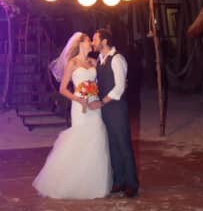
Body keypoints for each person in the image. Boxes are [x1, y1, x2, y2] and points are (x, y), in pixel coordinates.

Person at [32, 31, 112, 199]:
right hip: (79, 106)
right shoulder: (72, 63)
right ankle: (67, 181)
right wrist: (78, 98)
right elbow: (62, 89)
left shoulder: (93, 61)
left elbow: (100, 82)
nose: (91, 43)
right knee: (80, 139)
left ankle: (92, 183)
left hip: (94, 105)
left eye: (91, 40)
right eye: (88, 40)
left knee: (96, 136)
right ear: (80, 44)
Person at [92, 27, 139, 198]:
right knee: (112, 145)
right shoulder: (99, 59)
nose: (93, 43)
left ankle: (132, 183)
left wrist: (103, 101)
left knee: (123, 145)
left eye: (95, 39)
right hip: (105, 109)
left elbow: (120, 87)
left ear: (104, 41)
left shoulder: (117, 59)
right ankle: (119, 181)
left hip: (117, 108)